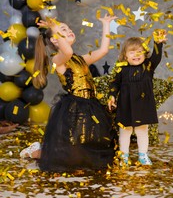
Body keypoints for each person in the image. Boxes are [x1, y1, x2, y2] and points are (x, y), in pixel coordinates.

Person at [20, 13, 117, 172]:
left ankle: (57, 149)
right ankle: (38, 151)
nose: (70, 30)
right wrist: (53, 28)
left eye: (69, 28)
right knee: (69, 157)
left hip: (91, 105)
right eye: (63, 29)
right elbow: (67, 52)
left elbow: (104, 50)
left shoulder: (81, 59)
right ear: (54, 40)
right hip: (74, 108)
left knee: (88, 151)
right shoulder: (58, 59)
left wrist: (106, 24)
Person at [108, 29, 167, 166]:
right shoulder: (121, 68)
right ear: (125, 55)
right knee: (125, 131)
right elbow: (114, 84)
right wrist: (111, 96)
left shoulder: (148, 66)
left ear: (145, 54)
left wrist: (158, 44)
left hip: (143, 104)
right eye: (132, 52)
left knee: (142, 130)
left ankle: (143, 155)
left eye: (139, 51)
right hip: (125, 105)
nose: (136, 54)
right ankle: (124, 156)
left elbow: (157, 57)